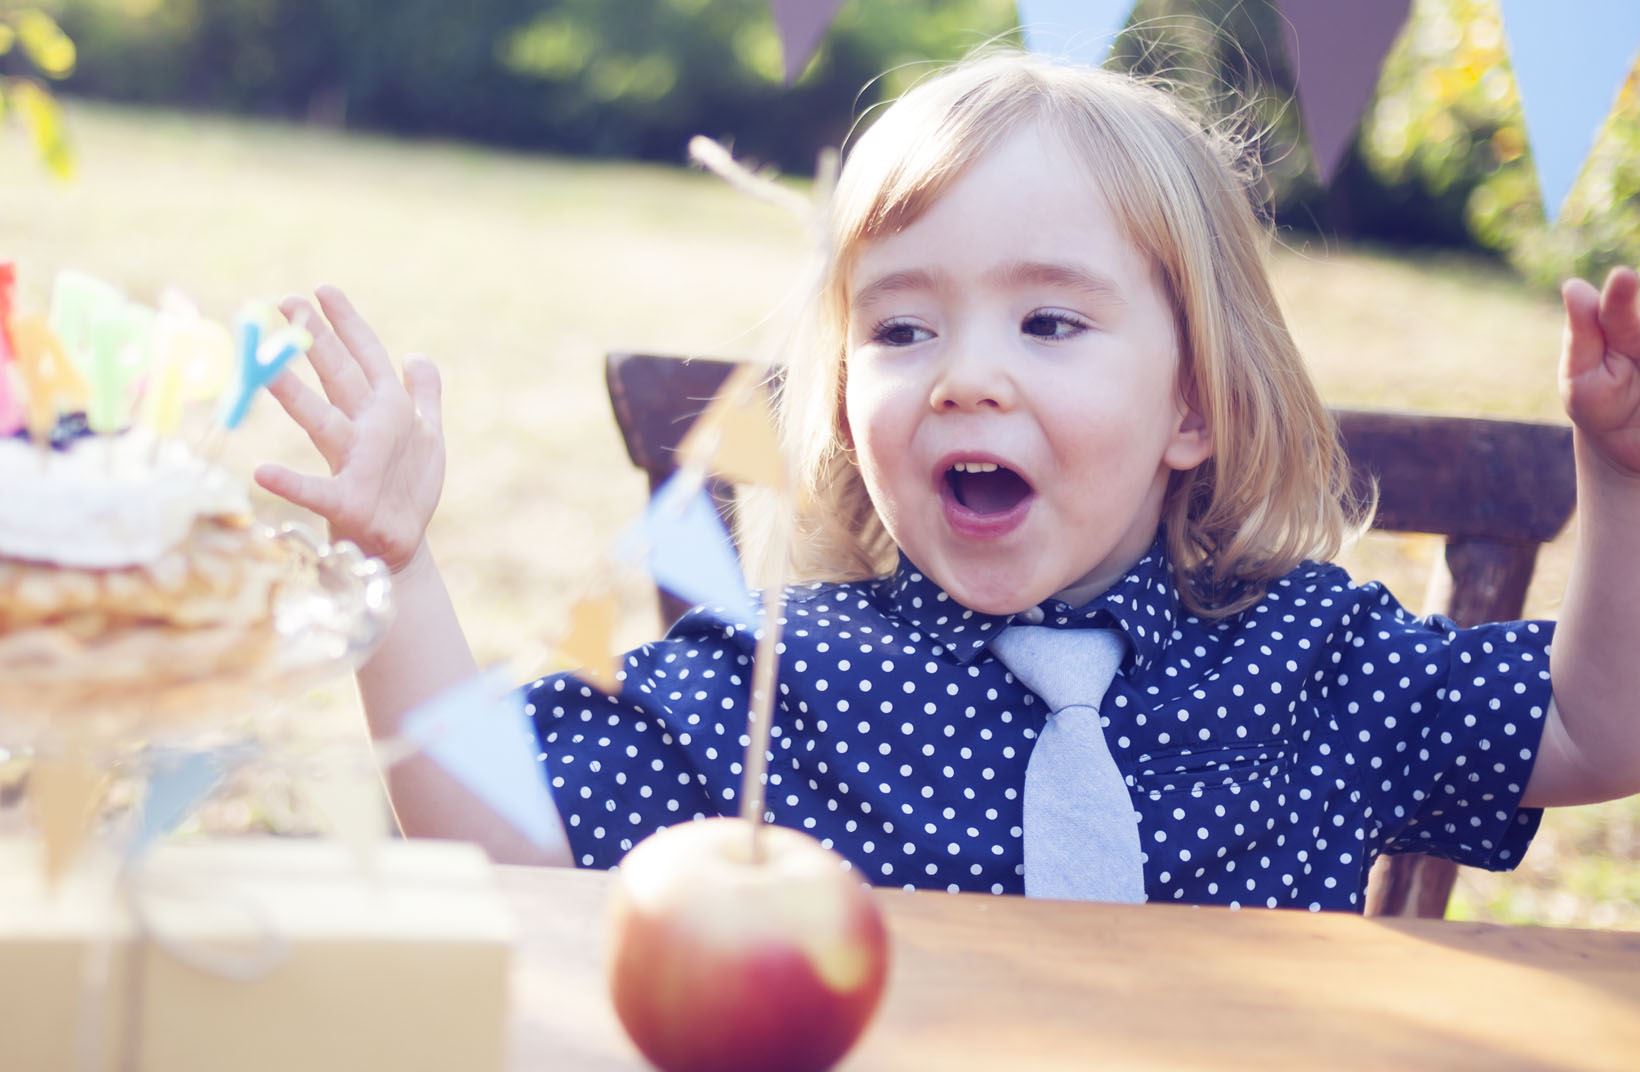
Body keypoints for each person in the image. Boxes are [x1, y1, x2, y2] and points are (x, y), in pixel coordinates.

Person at [255, 52, 1640, 911]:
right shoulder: (774, 682)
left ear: (1196, 406)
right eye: (903, 329)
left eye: (1049, 323)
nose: (964, 375)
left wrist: (1622, 486)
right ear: (851, 411)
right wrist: (395, 561)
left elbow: (1598, 728)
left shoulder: (1321, 663)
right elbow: (503, 837)